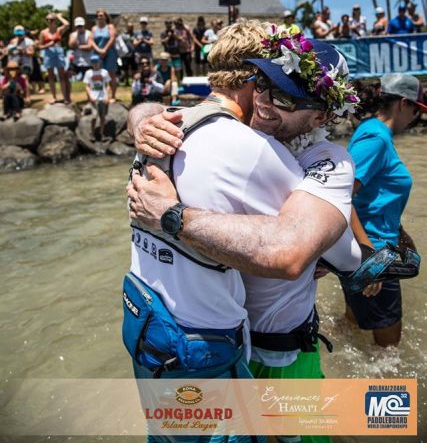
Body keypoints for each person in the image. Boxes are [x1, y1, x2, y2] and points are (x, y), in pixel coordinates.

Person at [126, 23, 368, 443]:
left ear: (323, 115)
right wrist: (140, 117)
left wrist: (171, 214)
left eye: (289, 99)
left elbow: (326, 254)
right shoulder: (231, 136)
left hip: (275, 347)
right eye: (267, 86)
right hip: (221, 341)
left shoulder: (326, 158)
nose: (269, 104)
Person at [344, 74, 427, 347]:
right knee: (389, 353)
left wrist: (400, 233)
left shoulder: (372, 132)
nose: (416, 118)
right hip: (373, 254)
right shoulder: (376, 139)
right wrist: (370, 253)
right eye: (417, 110)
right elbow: (340, 193)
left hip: (369, 248)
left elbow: (373, 196)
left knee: (353, 328)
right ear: (404, 104)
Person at [39, 12, 71, 104]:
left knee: (61, 76)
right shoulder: (43, 32)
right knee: (51, 76)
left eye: (52, 20)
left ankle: (65, 97)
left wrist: (59, 16)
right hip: (48, 53)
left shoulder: (58, 30)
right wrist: (48, 45)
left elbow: (67, 24)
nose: (49, 21)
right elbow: (40, 46)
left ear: (55, 21)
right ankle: (54, 97)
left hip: (59, 52)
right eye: (48, 20)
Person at [92, 9, 118, 101]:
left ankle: (113, 95)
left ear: (106, 16)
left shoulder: (110, 26)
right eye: (98, 15)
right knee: (100, 75)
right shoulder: (94, 28)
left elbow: (112, 38)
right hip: (98, 54)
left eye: (102, 15)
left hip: (110, 53)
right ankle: (101, 95)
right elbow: (92, 41)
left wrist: (105, 50)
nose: (100, 17)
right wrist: (99, 50)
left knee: (111, 75)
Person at [83, 53, 111, 141]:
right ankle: (92, 133)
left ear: (99, 62)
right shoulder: (88, 73)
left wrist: (107, 96)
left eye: (96, 62)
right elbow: (87, 86)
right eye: (93, 62)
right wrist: (89, 96)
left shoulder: (104, 72)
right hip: (93, 98)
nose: (95, 63)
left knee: (102, 117)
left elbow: (107, 85)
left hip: (103, 97)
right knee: (94, 116)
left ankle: (101, 134)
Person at [120, 22, 137, 86]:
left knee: (134, 69)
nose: (130, 28)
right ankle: (126, 81)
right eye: (129, 27)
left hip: (133, 54)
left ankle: (134, 81)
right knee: (125, 69)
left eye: (131, 27)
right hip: (125, 55)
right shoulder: (123, 35)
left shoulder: (135, 34)